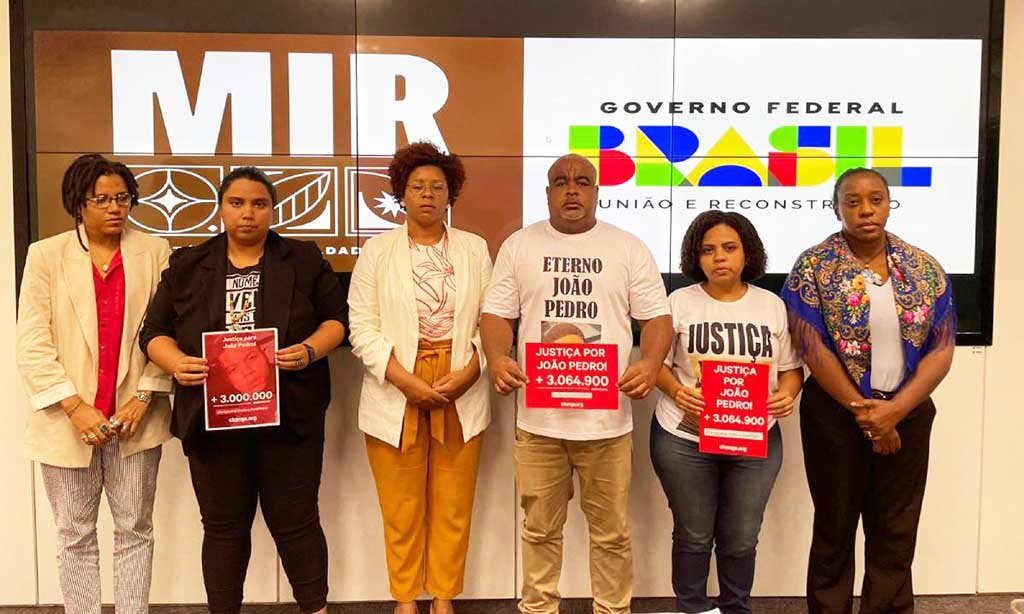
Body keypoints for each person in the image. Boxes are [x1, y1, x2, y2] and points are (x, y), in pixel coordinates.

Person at [139, 166, 347, 614]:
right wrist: (178, 364)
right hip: (214, 422)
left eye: (258, 204)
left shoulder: (303, 259)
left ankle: (316, 608)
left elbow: (337, 321)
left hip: (288, 419)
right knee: (223, 528)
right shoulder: (189, 264)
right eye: (236, 203)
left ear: (272, 210)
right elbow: (154, 333)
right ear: (220, 209)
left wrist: (309, 351)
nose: (247, 213)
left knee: (297, 524)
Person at [480, 154, 673, 614]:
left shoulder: (627, 247)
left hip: (606, 427)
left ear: (596, 192)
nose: (572, 189)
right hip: (539, 424)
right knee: (539, 530)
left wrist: (650, 363)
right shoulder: (519, 246)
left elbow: (658, 318)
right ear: (547, 192)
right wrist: (495, 356)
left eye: (582, 182)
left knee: (611, 534)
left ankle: (612, 609)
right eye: (560, 182)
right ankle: (539, 609)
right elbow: (496, 314)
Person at [780, 167, 956, 614]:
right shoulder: (814, 265)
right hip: (835, 417)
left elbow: (941, 349)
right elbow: (810, 347)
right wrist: (869, 414)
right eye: (853, 201)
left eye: (875, 199)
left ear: (888, 203)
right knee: (835, 529)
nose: (865, 210)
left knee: (895, 531)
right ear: (836, 207)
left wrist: (894, 412)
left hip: (908, 413)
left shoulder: (923, 266)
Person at [16, 154, 173, 614]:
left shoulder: (155, 251)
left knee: (135, 529)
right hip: (67, 421)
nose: (114, 208)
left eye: (122, 197)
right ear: (78, 204)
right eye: (101, 199)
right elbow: (32, 340)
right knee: (74, 532)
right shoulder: (46, 254)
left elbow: (167, 329)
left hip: (135, 419)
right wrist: (73, 406)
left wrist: (145, 394)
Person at [348, 142, 492, 614]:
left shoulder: (474, 248)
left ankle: (445, 596)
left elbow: (490, 322)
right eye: (417, 187)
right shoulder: (378, 250)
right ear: (401, 195)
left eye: (437, 187)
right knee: (401, 505)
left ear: (451, 195)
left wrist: (472, 371)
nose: (427, 195)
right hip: (397, 383)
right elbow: (361, 326)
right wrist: (404, 380)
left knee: (453, 503)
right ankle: (406, 598)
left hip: (459, 381)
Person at [651, 211, 803, 614]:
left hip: (755, 436)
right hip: (684, 437)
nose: (719, 257)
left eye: (729, 248)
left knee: (741, 537)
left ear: (747, 252)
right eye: (708, 250)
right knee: (694, 534)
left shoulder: (771, 305)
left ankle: (736, 607)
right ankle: (694, 608)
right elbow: (657, 364)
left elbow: (790, 370)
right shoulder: (677, 302)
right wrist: (678, 391)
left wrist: (787, 396)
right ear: (695, 258)